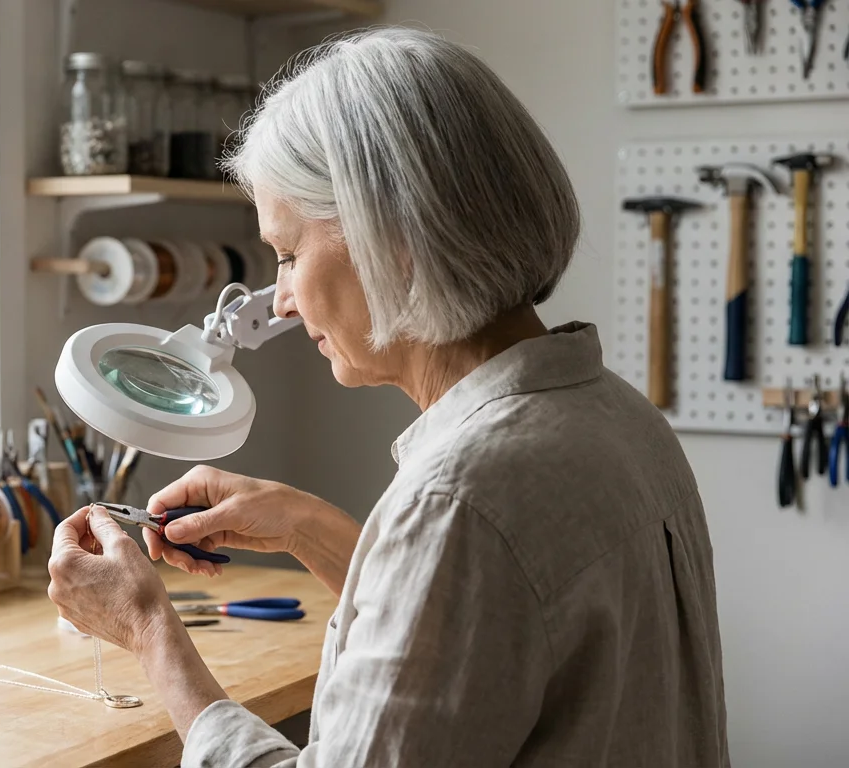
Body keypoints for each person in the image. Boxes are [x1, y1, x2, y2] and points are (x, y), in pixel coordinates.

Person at [47, 27, 728, 767]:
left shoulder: (461, 503)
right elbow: (485, 637)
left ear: (391, 236)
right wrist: (309, 528)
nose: (279, 304)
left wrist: (151, 632)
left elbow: (461, 553)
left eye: (288, 254)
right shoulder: (614, 416)